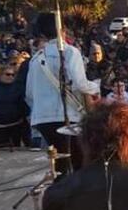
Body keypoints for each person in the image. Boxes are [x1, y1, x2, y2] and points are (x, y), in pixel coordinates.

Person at [25, 13, 100, 174]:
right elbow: (80, 84)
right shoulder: (70, 52)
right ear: (62, 30)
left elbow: (29, 94)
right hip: (68, 117)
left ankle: (60, 186)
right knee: (79, 163)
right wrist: (96, 87)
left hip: (42, 119)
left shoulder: (35, 59)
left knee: (59, 165)